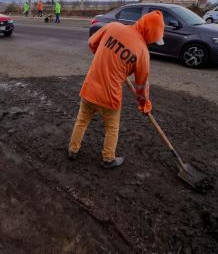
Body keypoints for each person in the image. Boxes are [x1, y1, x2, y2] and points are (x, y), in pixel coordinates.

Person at [68, 10, 165, 168]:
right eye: (154, 38)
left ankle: (72, 150)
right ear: (151, 33)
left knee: (82, 121)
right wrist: (144, 104)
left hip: (89, 88)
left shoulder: (113, 27)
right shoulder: (142, 53)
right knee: (112, 128)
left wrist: (104, 55)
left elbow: (92, 43)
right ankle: (108, 159)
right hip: (109, 97)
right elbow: (141, 86)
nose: (153, 42)